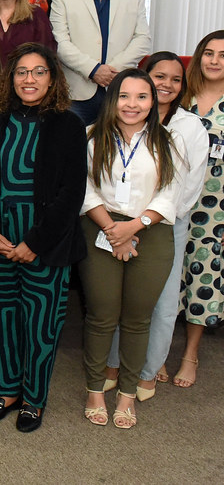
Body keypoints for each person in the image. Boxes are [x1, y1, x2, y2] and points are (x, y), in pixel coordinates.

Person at [0, 43, 87, 432]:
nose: (29, 79)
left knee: (40, 326)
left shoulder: (68, 124)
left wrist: (34, 242)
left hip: (45, 245)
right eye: (22, 71)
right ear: (11, 77)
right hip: (0, 241)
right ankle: (6, 390)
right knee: (3, 322)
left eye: (39, 72)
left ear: (53, 78)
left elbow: (71, 194)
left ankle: (34, 399)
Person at [79, 68, 183, 430]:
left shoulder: (167, 141)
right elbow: (86, 189)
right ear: (113, 99)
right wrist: (112, 229)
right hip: (100, 226)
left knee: (138, 319)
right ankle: (95, 390)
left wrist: (133, 227)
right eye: (125, 96)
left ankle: (126, 395)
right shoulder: (93, 136)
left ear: (153, 102)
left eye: (142, 96)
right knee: (101, 315)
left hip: (150, 231)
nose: (132, 104)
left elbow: (172, 194)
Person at [104, 52, 208, 400]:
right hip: (119, 223)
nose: (167, 84)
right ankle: (115, 364)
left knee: (162, 303)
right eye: (159, 77)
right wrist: (127, 224)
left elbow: (189, 184)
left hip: (166, 223)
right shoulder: (121, 118)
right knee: (124, 300)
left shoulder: (189, 126)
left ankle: (148, 371)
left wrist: (149, 219)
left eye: (175, 79)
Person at [49, 0, 151, 124]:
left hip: (121, 89)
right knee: (76, 148)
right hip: (77, 93)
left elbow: (142, 39)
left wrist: (113, 71)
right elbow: (60, 43)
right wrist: (93, 69)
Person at [172, 31, 224, 389]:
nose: (215, 60)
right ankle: (157, 351)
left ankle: (190, 353)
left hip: (214, 206)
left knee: (203, 274)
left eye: (223, 55)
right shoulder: (180, 96)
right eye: (208, 53)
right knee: (166, 273)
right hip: (171, 199)